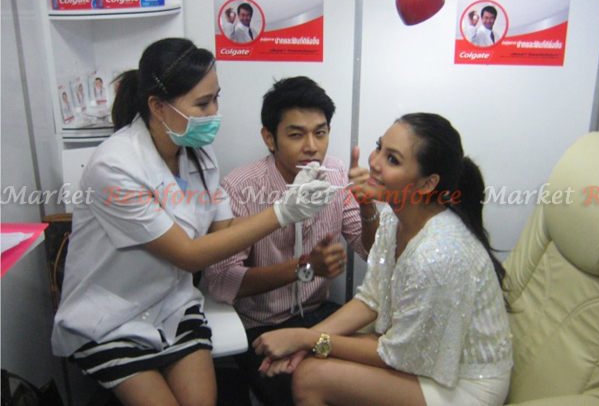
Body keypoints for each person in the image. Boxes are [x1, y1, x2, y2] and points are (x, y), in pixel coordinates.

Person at [50, 38, 336, 406]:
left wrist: (289, 210)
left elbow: (223, 231)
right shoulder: (115, 167)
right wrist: (282, 212)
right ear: (158, 106)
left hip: (172, 304)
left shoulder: (197, 154)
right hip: (110, 317)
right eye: (203, 103)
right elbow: (188, 255)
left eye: (216, 98)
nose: (215, 112)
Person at [253, 113, 513, 406]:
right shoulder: (394, 218)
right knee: (311, 359)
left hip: (463, 383)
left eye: (392, 159)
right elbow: (372, 299)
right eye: (379, 147)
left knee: (309, 377)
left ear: (427, 183)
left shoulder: (438, 254)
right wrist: (303, 341)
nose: (374, 162)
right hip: (420, 353)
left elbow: (398, 356)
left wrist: (306, 340)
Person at [205, 76, 377, 406]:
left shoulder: (336, 173)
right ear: (269, 138)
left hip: (322, 316)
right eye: (296, 134)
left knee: (368, 385)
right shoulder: (241, 186)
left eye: (320, 133)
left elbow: (370, 251)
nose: (311, 146)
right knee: (300, 389)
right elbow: (222, 282)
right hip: (262, 326)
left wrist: (368, 205)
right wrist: (303, 268)